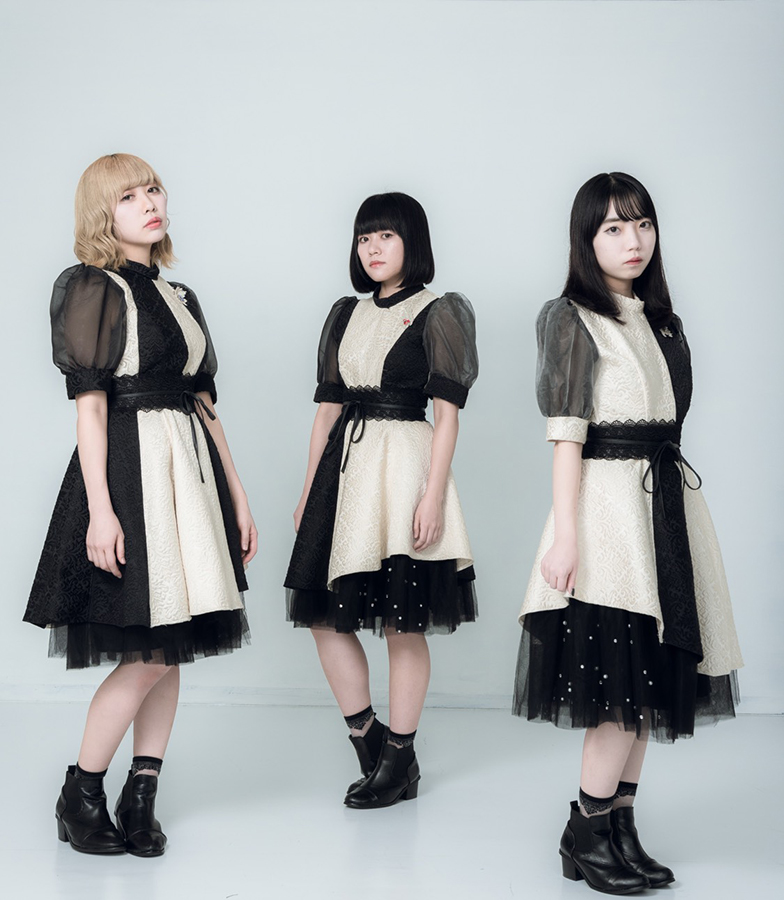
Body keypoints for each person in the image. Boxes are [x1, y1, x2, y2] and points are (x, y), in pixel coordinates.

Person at [513, 172, 742, 894]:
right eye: (612, 227)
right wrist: (566, 536)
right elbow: (567, 437)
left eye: (641, 223)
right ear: (586, 240)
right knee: (620, 685)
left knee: (648, 684)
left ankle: (618, 828)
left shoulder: (659, 320)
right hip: (609, 515)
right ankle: (586, 834)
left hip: (662, 509)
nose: (632, 239)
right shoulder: (571, 318)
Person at [24, 153, 257, 857]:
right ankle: (82, 792)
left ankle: (141, 795)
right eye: (128, 196)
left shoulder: (181, 296)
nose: (149, 203)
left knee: (171, 643)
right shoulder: (93, 288)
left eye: (152, 189)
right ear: (103, 214)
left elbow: (205, 406)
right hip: (131, 474)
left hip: (189, 475)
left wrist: (237, 496)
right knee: (150, 648)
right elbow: (90, 409)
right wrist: (101, 510)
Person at [284, 192, 478, 809]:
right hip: (345, 474)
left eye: (386, 236)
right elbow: (326, 412)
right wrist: (308, 489)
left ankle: (399, 757)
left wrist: (433, 495)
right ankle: (373, 742)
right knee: (323, 617)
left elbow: (447, 417)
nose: (373, 248)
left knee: (401, 623)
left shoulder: (439, 312)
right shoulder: (345, 314)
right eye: (364, 237)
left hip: (403, 471)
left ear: (412, 242)